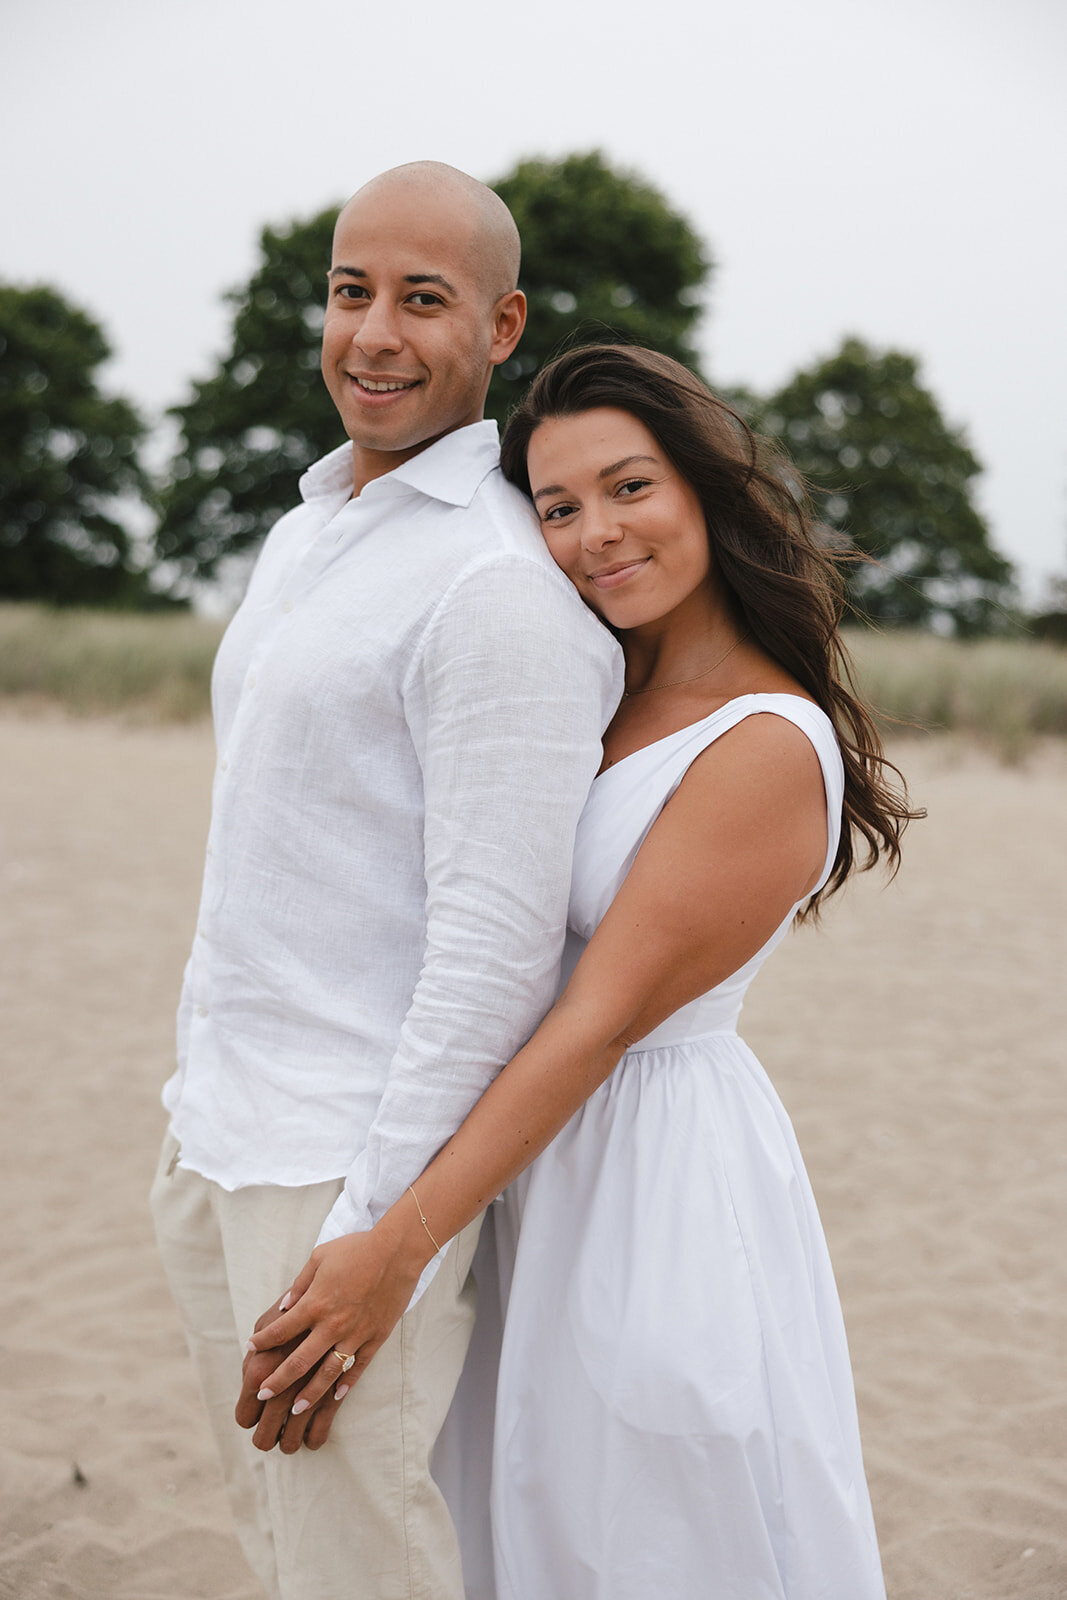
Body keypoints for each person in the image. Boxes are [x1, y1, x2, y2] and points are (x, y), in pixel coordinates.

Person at [244, 344, 919, 1599]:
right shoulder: (600, 689)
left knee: (647, 1530)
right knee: (520, 1526)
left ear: (704, 492)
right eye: (556, 507)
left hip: (649, 1178)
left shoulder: (765, 743)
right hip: (525, 1162)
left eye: (628, 488)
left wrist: (394, 1247)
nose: (593, 535)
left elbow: (595, 1022)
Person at [149, 168, 621, 1600]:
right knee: (281, 1543)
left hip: (339, 1171)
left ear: (500, 324)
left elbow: (492, 951)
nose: (373, 332)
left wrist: (374, 1232)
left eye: (424, 299)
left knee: (362, 1567)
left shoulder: (491, 586)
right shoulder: (306, 531)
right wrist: (188, 1108)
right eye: (353, 290)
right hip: (216, 1126)